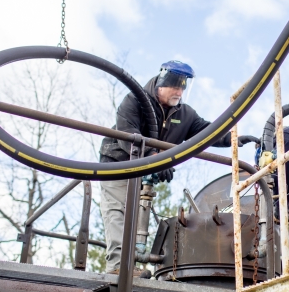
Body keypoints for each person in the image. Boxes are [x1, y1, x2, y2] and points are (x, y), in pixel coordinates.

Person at [99, 60, 257, 274]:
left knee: (135, 216)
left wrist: (233, 139)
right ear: (160, 84)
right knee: (118, 210)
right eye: (175, 87)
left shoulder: (185, 115)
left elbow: (207, 132)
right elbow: (128, 136)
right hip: (119, 163)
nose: (179, 93)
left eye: (183, 88)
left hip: (145, 169)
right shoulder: (135, 101)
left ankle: (130, 267)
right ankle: (117, 267)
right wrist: (153, 157)